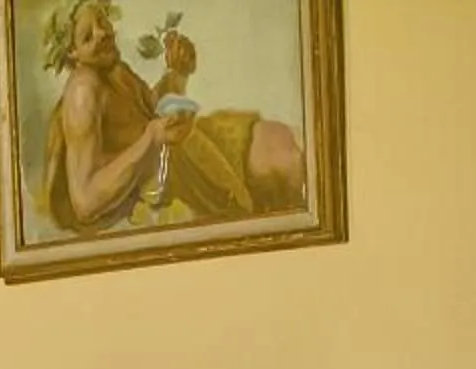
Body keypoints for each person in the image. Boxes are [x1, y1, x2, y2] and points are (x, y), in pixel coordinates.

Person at [40, 2, 308, 235]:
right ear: (72, 53)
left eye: (101, 20)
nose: (101, 33)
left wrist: (177, 73)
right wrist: (151, 139)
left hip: (179, 150)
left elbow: (151, 112)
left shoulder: (114, 69)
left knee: (279, 140)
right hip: (161, 180)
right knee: (283, 164)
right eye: (87, 36)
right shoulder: (83, 94)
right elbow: (86, 202)